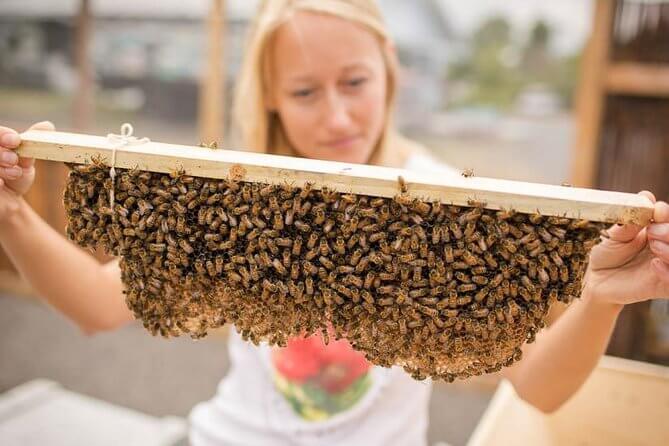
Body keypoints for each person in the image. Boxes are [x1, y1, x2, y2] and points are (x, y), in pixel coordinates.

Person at [1, 1, 668, 445]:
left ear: (389, 72)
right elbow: (96, 307)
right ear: (269, 98)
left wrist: (598, 298)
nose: (337, 116)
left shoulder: (448, 201)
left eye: (353, 82)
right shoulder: (240, 197)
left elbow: (537, 388)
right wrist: (11, 216)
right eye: (304, 91)